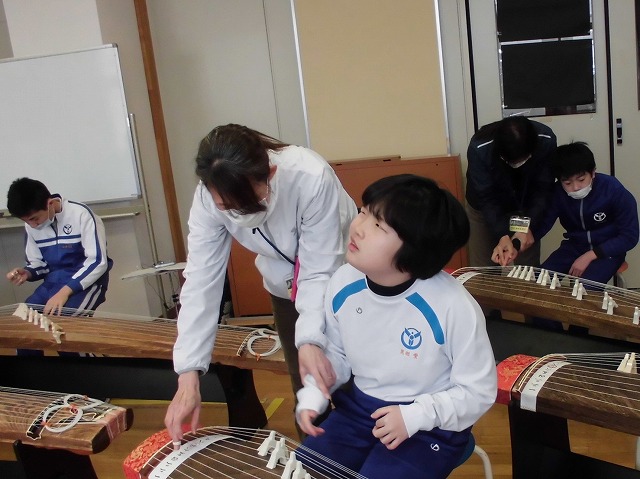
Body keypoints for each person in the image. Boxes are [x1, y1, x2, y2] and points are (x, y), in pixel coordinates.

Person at [164, 124, 357, 443]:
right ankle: (316, 460)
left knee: (353, 379)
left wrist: (310, 339)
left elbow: (318, 270)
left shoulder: (309, 176)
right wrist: (188, 373)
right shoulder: (207, 199)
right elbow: (201, 282)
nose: (238, 214)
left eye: (250, 201)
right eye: (227, 207)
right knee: (306, 383)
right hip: (284, 287)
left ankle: (368, 455)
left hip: (344, 278)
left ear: (270, 173)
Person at [296, 175, 497, 479]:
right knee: (301, 472)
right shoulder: (343, 282)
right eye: (364, 211)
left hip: (430, 427)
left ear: (415, 249)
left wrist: (415, 415)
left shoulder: (453, 306)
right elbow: (336, 354)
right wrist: (315, 392)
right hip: (357, 413)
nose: (358, 227)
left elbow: (478, 391)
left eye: (378, 225)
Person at [492, 142, 639, 330]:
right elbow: (542, 224)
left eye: (581, 179)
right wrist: (515, 245)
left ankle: (579, 337)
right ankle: (556, 338)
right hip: (574, 246)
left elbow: (630, 236)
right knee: (538, 283)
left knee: (583, 291)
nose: (575, 187)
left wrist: (590, 255)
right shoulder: (558, 193)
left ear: (593, 172)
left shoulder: (613, 190)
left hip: (607, 250)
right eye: (567, 183)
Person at [5, 178, 112, 353]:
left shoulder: (81, 214)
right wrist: (27, 272)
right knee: (24, 325)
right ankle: (29, 370)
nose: (32, 225)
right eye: (27, 221)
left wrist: (64, 292)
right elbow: (38, 263)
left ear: (49, 204)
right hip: (52, 283)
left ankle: (85, 370)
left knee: (62, 328)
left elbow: (98, 262)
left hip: (85, 283)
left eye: (34, 219)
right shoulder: (31, 226)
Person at [465, 116, 557, 267]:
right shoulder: (480, 148)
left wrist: (526, 227)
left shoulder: (545, 139)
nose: (517, 165)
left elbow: (543, 189)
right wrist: (503, 235)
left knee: (527, 266)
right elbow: (487, 198)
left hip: (525, 206)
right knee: (485, 268)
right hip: (484, 208)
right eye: (511, 162)